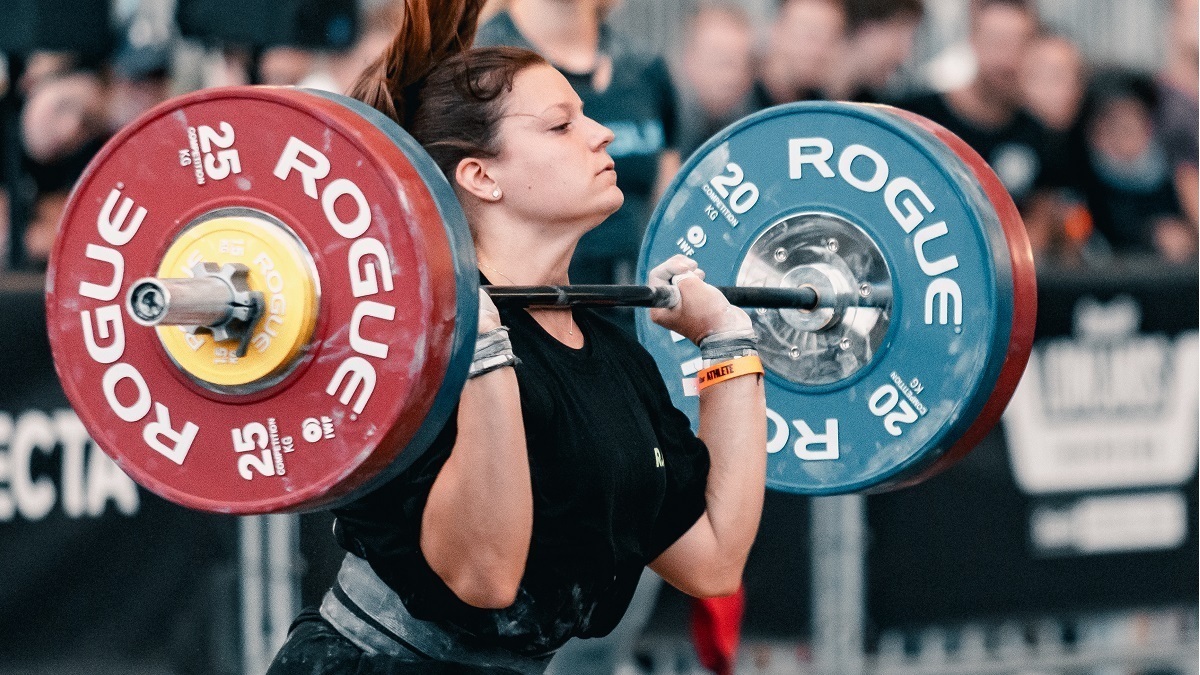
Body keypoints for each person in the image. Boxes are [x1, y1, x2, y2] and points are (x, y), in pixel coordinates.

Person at [265, 0, 768, 673]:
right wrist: (485, 346)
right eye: (562, 125)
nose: (603, 135)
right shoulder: (415, 356)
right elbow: (485, 574)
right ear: (481, 176)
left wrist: (727, 343)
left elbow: (713, 558)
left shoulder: (617, 357)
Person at [474, 0, 681, 294]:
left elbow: (670, 207)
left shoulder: (645, 68)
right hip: (531, 303)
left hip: (638, 298)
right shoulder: (478, 62)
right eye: (560, 125)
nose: (603, 136)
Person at [895, 0, 1053, 209]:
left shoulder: (1043, 137)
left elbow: (1049, 214)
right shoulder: (915, 119)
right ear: (972, 41)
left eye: (1020, 45)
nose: (1007, 59)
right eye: (997, 42)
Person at [674, 2, 758, 159]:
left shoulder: (758, 128)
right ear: (689, 60)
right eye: (719, 61)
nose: (728, 76)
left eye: (737, 63)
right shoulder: (667, 129)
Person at [825, 0, 924, 104]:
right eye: (898, 36)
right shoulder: (808, 99)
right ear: (867, 29)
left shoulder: (867, 101)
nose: (903, 54)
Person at [752, 0, 846, 108]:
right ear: (775, 30)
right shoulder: (737, 107)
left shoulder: (826, 109)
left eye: (829, 39)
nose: (817, 51)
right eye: (809, 35)